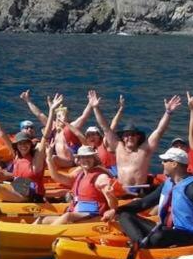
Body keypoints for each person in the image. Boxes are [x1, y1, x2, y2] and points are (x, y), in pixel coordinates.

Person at [104, 147, 193, 259]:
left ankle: (143, 244)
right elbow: (144, 203)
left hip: (189, 235)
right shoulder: (168, 183)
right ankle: (139, 243)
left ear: (174, 164)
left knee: (159, 236)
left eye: (165, 161)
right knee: (125, 215)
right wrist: (116, 210)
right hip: (166, 229)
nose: (162, 163)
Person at [36, 96, 116, 225]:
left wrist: (113, 209)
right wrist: (49, 159)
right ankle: (30, 231)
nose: (85, 160)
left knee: (67, 216)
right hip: (78, 211)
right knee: (42, 219)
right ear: (79, 160)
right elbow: (57, 178)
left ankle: (41, 236)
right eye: (83, 158)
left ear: (93, 158)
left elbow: (109, 193)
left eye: (88, 157)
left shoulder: (100, 176)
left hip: (93, 217)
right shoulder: (80, 174)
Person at [91, 91, 183, 194]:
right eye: (126, 135)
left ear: (138, 137)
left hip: (140, 192)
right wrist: (95, 108)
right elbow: (105, 128)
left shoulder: (145, 149)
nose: (130, 137)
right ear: (123, 138)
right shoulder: (118, 147)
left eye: (133, 135)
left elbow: (159, 130)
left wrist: (168, 112)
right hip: (121, 191)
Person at [20, 89, 93, 167]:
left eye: (64, 116)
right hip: (59, 160)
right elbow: (39, 114)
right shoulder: (53, 127)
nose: (61, 118)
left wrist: (90, 104)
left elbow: (83, 117)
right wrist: (28, 101)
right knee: (41, 151)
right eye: (59, 116)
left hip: (71, 161)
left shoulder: (71, 127)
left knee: (53, 158)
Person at [168, 92, 193, 178]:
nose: (179, 148)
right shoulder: (170, 168)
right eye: (176, 146)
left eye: (182, 146)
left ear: (188, 150)